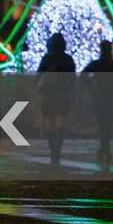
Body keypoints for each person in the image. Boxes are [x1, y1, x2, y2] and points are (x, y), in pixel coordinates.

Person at [81, 40, 113, 170]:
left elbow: (83, 75)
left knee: (102, 125)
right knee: (108, 126)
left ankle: (104, 150)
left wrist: (92, 85)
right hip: (112, 97)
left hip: (99, 97)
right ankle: (106, 150)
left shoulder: (95, 64)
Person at [36, 33, 76, 165]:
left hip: (48, 96)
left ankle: (52, 149)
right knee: (60, 124)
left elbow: (39, 76)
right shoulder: (68, 59)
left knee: (49, 124)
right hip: (62, 95)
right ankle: (58, 150)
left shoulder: (47, 59)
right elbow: (72, 79)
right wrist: (67, 90)